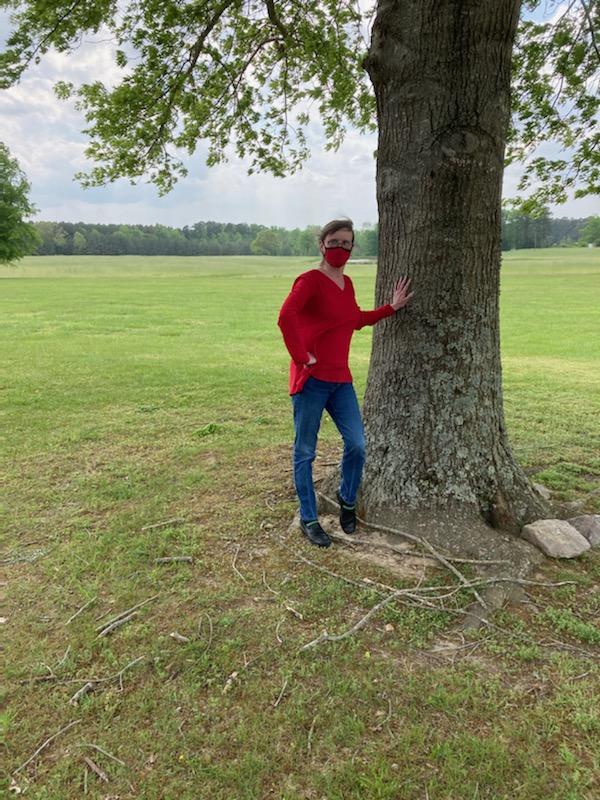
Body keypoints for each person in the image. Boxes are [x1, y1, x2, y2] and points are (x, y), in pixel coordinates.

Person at [277, 218, 413, 547]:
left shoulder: (347, 284)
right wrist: (301, 356)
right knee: (305, 452)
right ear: (321, 244)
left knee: (357, 445)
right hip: (311, 382)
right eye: (334, 242)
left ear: (352, 248)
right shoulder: (310, 281)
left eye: (346, 244)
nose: (340, 249)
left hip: (341, 382)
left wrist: (391, 308)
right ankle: (309, 518)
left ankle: (347, 501)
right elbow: (286, 316)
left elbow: (355, 319)